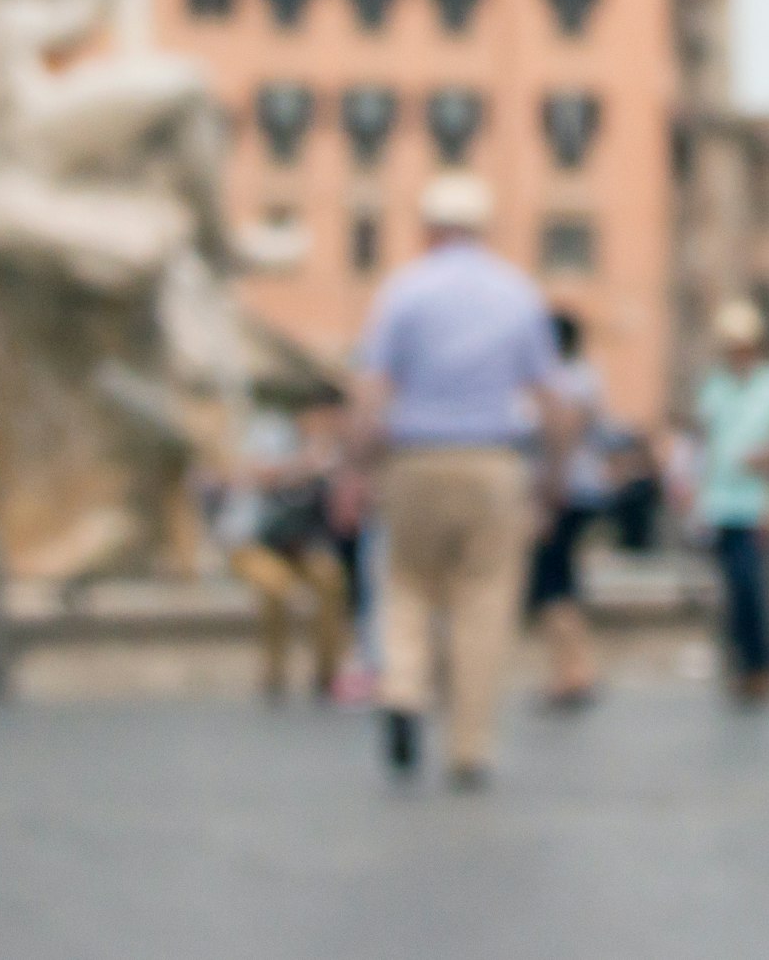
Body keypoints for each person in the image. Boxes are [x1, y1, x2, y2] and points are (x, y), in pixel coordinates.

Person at [350, 170, 574, 791]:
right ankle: (470, 746)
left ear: (428, 228)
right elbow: (553, 400)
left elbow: (371, 392)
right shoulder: (517, 293)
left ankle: (401, 688)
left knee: (407, 586)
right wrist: (553, 480)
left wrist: (356, 467)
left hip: (415, 456)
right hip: (493, 461)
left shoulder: (403, 291)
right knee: (484, 601)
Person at [691, 297, 769, 703]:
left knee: (756, 588)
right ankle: (743, 665)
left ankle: (764, 664)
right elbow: (708, 445)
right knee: (733, 589)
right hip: (722, 503)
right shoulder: (715, 386)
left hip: (760, 504)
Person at [221, 404, 352, 703]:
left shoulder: (333, 447)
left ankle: (327, 673)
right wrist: (304, 464)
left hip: (303, 545)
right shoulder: (271, 432)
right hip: (253, 542)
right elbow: (257, 473)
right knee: (278, 587)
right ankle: (273, 674)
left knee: (329, 577)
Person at [523, 308, 610, 711]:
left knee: (554, 582)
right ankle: (574, 669)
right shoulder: (584, 376)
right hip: (575, 487)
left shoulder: (569, 380)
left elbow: (566, 432)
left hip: (565, 491)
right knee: (561, 580)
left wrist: (548, 489)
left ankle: (572, 671)